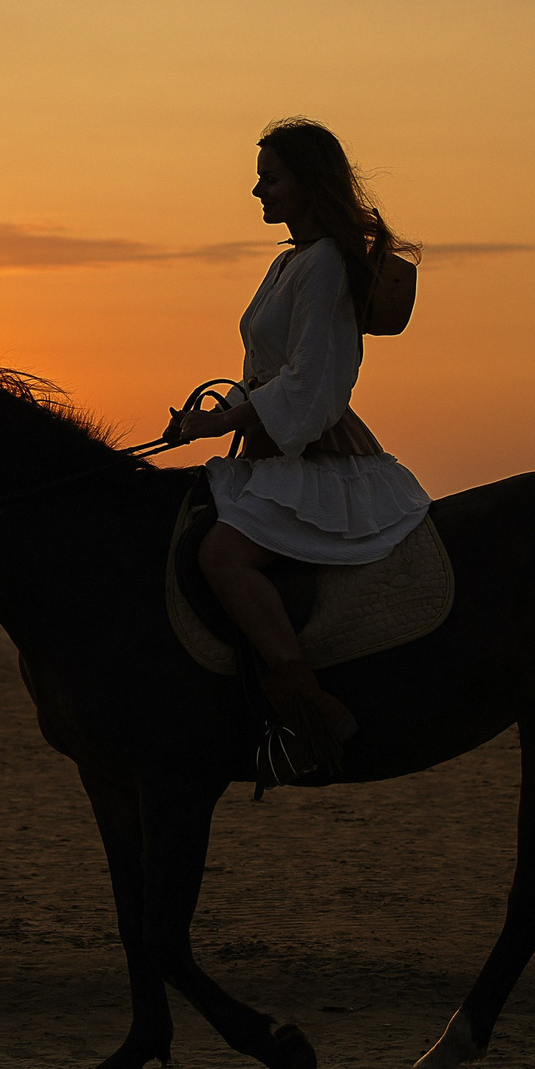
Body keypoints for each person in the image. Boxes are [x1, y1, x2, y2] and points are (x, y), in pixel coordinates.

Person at [165, 118, 431, 778]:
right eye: (260, 178)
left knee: (223, 557)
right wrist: (213, 418)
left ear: (308, 184)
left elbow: (314, 383)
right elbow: (268, 373)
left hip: (313, 453)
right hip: (271, 444)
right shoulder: (288, 261)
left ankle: (306, 705)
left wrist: (235, 417)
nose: (258, 190)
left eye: (271, 177)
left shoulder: (324, 266)